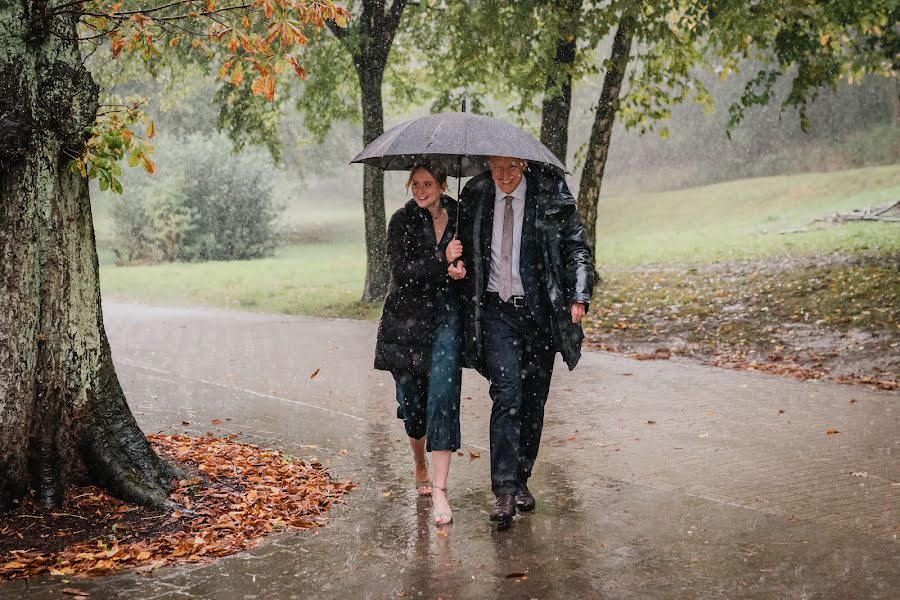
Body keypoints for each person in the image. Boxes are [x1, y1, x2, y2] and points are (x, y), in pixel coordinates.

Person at [446, 156, 593, 529]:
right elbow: (454, 241)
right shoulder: (477, 194)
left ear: (524, 164)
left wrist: (579, 295)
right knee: (507, 394)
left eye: (511, 169)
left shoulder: (550, 193)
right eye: (497, 169)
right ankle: (505, 492)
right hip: (497, 314)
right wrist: (455, 259)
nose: (505, 177)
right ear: (489, 167)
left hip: (541, 314)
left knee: (532, 401)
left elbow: (577, 247)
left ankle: (522, 477)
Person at [374, 160, 466, 526]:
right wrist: (441, 261)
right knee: (412, 404)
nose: (420, 190)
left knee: (442, 395)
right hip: (405, 322)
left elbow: (470, 261)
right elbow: (401, 271)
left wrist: (460, 270)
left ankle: (441, 491)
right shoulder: (401, 220)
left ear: (443, 184)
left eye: (427, 184)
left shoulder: (460, 216)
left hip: (445, 318)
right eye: (415, 184)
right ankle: (418, 461)